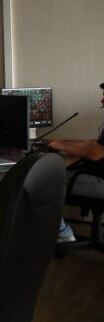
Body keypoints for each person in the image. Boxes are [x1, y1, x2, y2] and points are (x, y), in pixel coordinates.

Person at [48, 82, 104, 243]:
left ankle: (63, 232)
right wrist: (63, 144)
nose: (101, 101)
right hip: (97, 176)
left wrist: (61, 146)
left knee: (44, 181)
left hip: (100, 182)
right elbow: (94, 143)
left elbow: (95, 154)